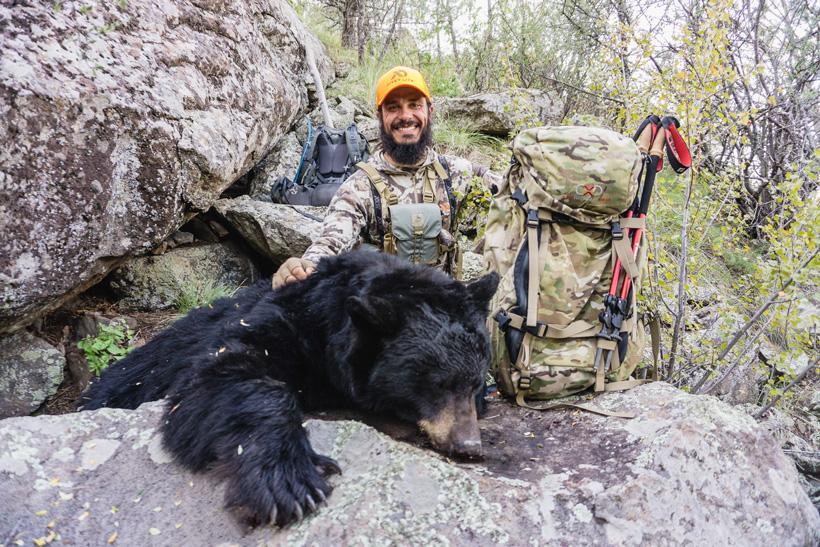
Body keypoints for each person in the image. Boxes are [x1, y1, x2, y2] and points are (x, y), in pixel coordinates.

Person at [273, 66, 501, 288]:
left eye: (414, 105)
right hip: (382, 315)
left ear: (429, 112)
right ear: (380, 116)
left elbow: (513, 191)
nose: (405, 116)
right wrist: (304, 267)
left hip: (443, 312)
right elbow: (331, 243)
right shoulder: (359, 187)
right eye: (393, 107)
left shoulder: (458, 172)